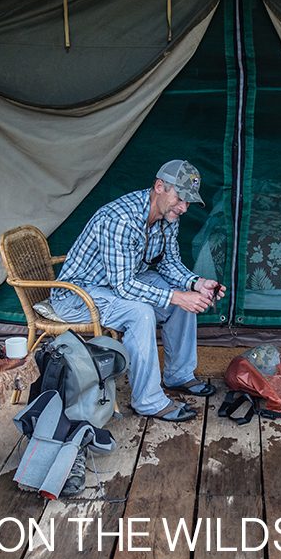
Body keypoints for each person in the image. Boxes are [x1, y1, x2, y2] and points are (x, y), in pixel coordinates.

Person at [49, 160, 226, 421]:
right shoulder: (120, 219)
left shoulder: (168, 216)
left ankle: (178, 375)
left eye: (189, 202)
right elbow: (123, 285)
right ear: (159, 187)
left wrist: (195, 283)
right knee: (140, 313)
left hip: (118, 285)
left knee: (184, 296)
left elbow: (169, 263)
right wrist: (178, 296)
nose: (183, 208)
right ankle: (148, 401)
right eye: (180, 198)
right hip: (78, 295)